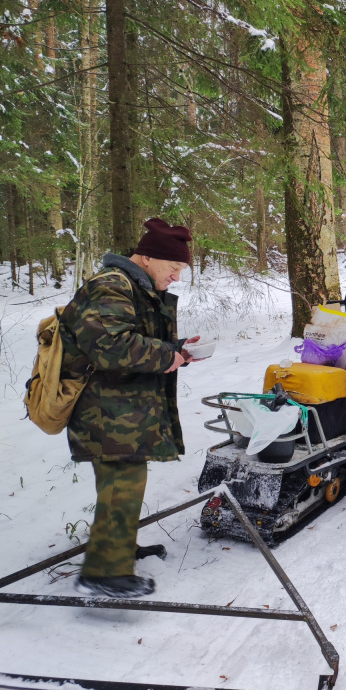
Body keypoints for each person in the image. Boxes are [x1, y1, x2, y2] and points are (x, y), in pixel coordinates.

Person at [61, 218, 203, 599]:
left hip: (120, 408)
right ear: (147, 257)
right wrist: (167, 354)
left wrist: (179, 350)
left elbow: (132, 336)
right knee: (121, 482)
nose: (176, 276)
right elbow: (111, 345)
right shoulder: (110, 286)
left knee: (124, 481)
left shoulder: (131, 287)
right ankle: (104, 573)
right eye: (173, 268)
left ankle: (117, 549)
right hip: (104, 411)